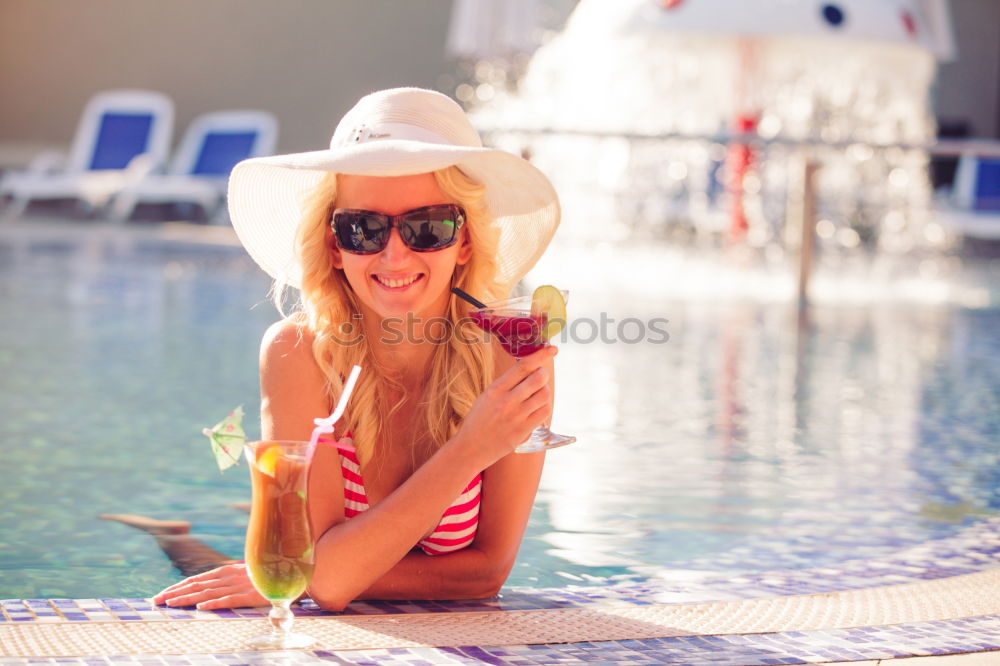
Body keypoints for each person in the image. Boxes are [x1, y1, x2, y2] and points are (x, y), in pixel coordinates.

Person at [145, 87, 563, 611]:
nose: (393, 254)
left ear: (465, 242)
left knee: (258, 571)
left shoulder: (508, 358)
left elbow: (485, 576)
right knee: (226, 566)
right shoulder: (298, 354)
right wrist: (471, 450)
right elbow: (327, 583)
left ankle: (177, 534)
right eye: (362, 228)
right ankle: (169, 533)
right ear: (334, 246)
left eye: (425, 227)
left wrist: (319, 567)